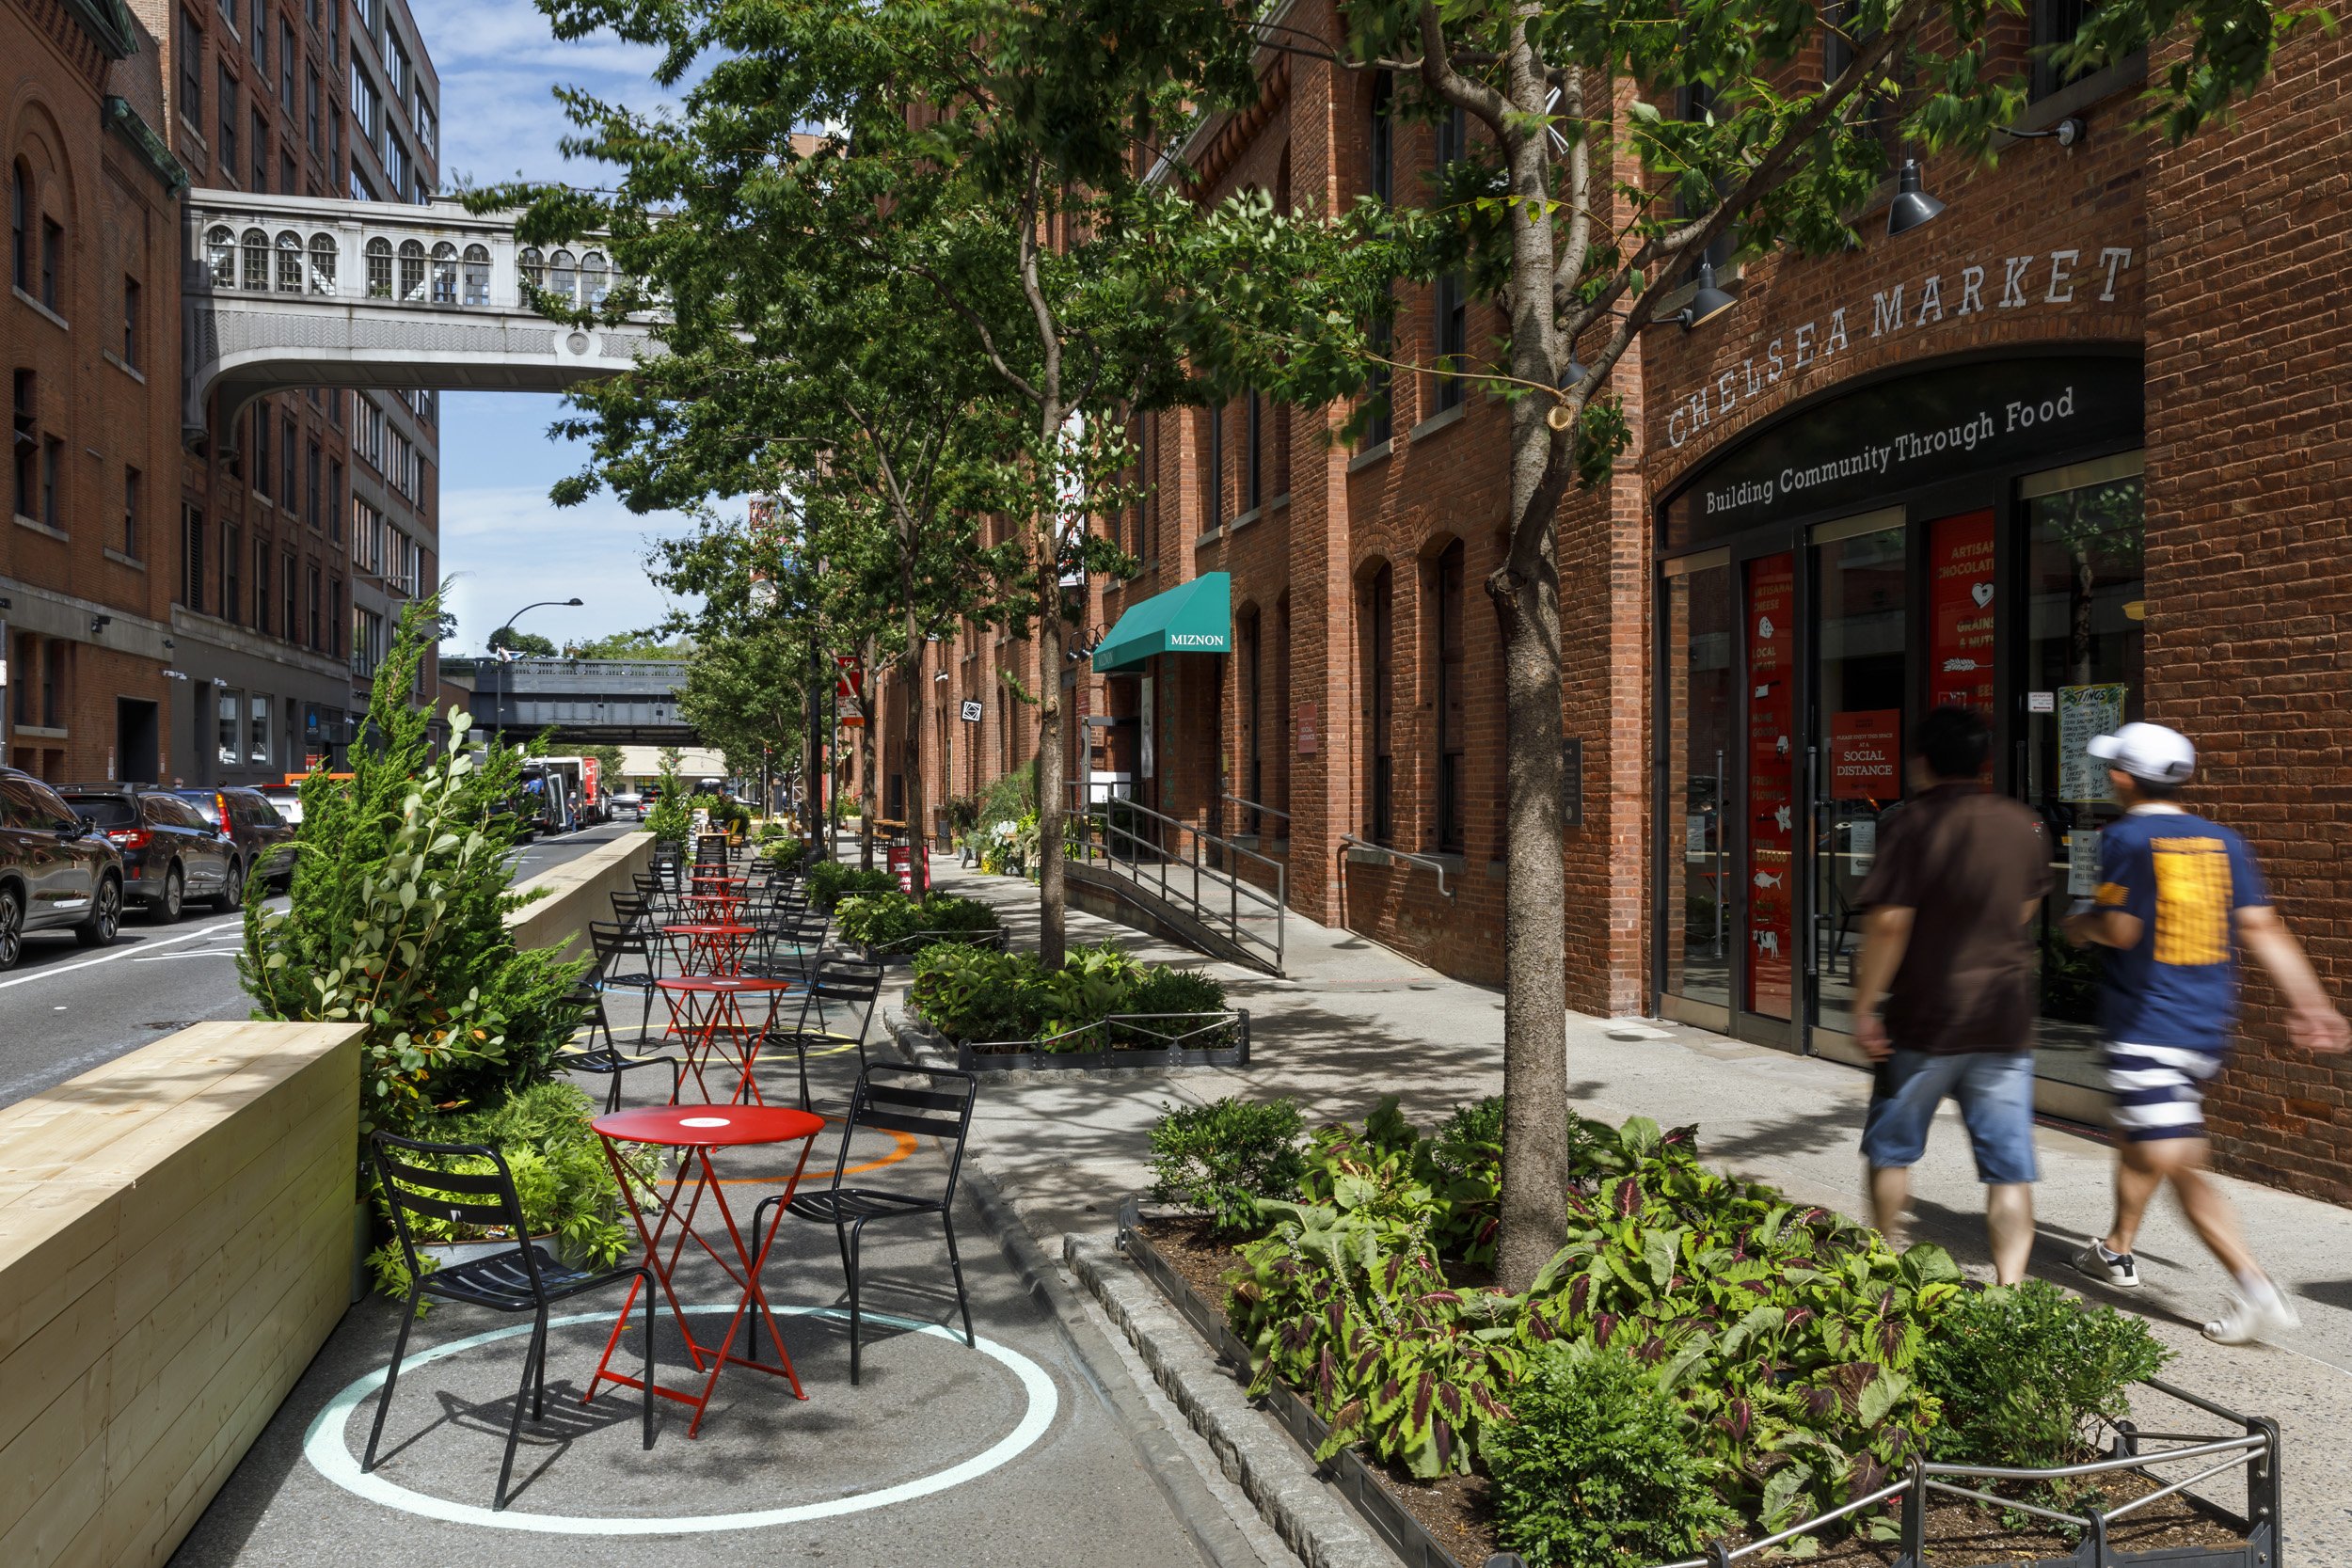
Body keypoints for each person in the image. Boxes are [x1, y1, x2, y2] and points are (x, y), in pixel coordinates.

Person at [2064, 721, 2348, 1344]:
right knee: (2142, 1139)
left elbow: (2121, 930)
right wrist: (2313, 1002)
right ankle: (2117, 1247)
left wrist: (2079, 924)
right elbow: (2264, 928)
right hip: (2203, 1030)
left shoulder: (2126, 838)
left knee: (2180, 1161)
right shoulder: (2222, 840)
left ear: (2120, 777)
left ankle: (2255, 1286)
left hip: (2146, 1028)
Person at [1851, 705, 2053, 1282]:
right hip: (2003, 1020)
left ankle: (1885, 1263)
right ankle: (2010, 1293)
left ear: (1921, 761)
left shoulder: (1910, 824)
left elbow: (1890, 924)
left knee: (1892, 1149)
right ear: (1982, 761)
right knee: (2009, 1168)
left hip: (1924, 1018)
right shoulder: (2024, 823)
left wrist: (1866, 1006)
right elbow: (2023, 909)